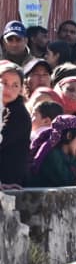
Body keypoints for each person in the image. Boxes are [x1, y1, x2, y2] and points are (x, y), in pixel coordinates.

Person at [0, 60, 31, 188]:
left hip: (9, 181)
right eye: (4, 83)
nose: (9, 89)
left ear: (21, 89)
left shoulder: (18, 113)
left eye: (15, 85)